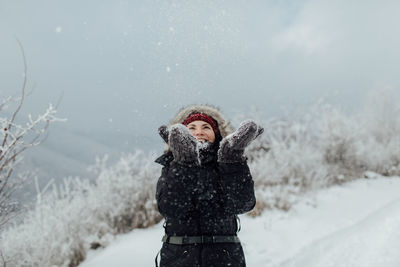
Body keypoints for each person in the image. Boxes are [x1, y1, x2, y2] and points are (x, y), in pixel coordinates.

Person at [155, 104, 263, 267]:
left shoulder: (227, 165)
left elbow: (242, 204)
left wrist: (232, 159)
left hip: (224, 257)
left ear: (217, 134)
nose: (199, 132)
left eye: (206, 127)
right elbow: (171, 208)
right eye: (191, 128)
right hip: (179, 257)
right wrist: (184, 163)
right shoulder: (171, 166)